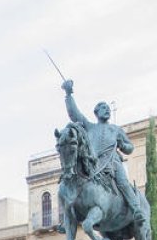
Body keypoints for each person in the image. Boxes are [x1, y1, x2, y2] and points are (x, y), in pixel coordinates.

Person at [60, 78, 145, 220]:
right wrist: (68, 95)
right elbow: (75, 115)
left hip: (112, 163)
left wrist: (123, 145)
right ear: (96, 112)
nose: (107, 110)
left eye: (108, 108)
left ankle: (137, 210)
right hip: (93, 164)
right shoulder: (90, 127)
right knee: (74, 181)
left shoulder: (115, 130)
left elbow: (130, 147)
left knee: (123, 182)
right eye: (103, 108)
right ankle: (69, 217)